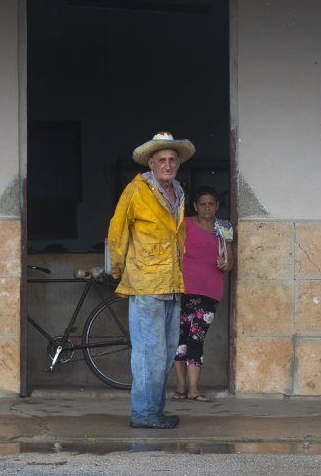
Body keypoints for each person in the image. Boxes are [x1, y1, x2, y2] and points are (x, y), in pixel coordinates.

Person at [107, 132, 195, 429]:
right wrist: (119, 271)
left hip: (171, 283)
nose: (168, 165)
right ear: (151, 162)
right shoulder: (136, 191)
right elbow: (116, 233)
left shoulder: (178, 191)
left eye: (172, 160)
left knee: (166, 353)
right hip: (146, 282)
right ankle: (144, 414)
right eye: (162, 160)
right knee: (148, 354)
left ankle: (154, 411)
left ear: (178, 163)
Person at [172, 186, 234, 402]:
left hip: (210, 293)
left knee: (195, 338)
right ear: (196, 207)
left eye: (211, 204)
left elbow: (230, 261)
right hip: (184, 290)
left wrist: (226, 264)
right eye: (203, 204)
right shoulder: (185, 224)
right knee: (180, 339)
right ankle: (181, 387)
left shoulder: (223, 227)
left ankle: (194, 388)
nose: (207, 207)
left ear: (217, 206)